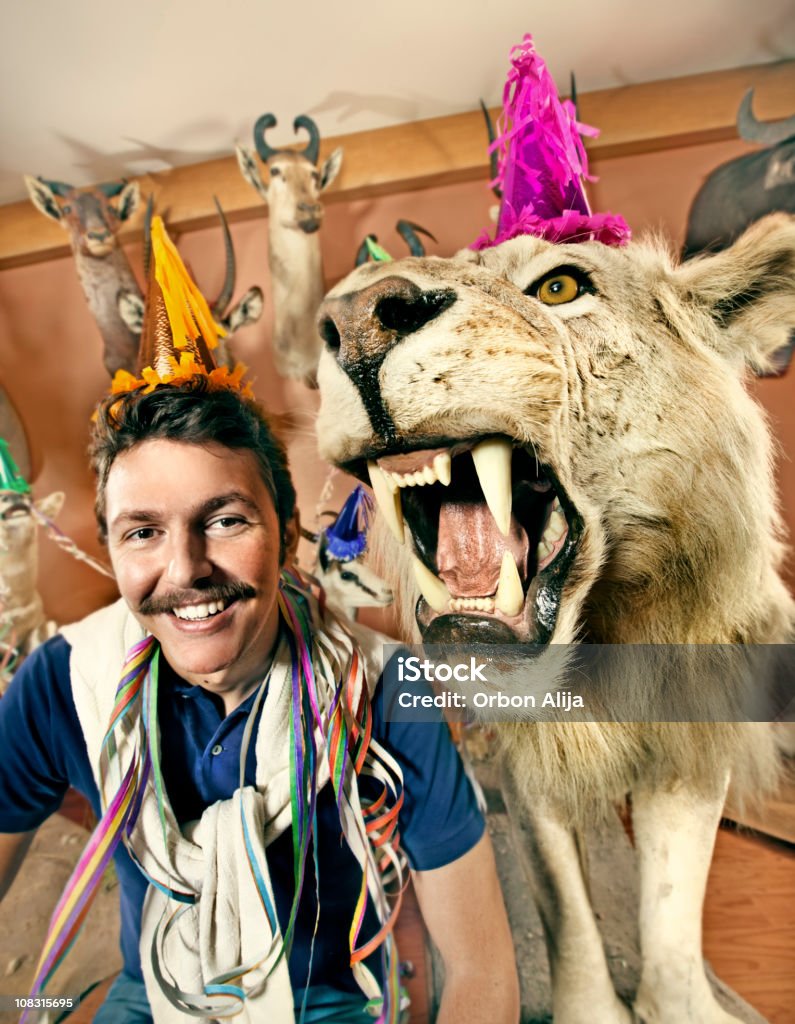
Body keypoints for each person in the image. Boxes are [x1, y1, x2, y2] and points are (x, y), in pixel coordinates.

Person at [0, 218, 518, 1023]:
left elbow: (483, 971)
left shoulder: (383, 690)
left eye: (225, 520)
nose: (185, 571)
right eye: (143, 531)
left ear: (288, 533)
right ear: (110, 546)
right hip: (152, 993)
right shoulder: (64, 683)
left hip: (328, 1001)